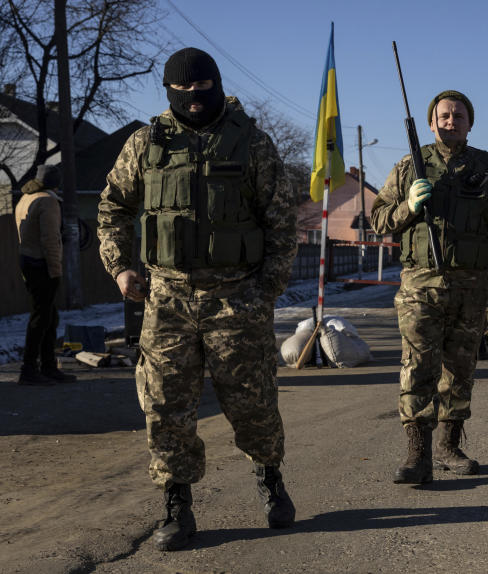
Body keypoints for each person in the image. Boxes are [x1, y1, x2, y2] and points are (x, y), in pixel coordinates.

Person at [97, 47, 298, 551]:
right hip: (166, 297)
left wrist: (264, 292)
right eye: (181, 91)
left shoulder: (251, 142)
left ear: (216, 84)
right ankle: (177, 504)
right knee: (165, 407)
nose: (192, 99)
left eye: (201, 89)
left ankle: (270, 477)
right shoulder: (145, 144)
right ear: (168, 90)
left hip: (237, 298)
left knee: (252, 404)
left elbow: (281, 221)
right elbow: (112, 208)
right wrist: (121, 266)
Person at [370, 90, 488, 485]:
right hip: (420, 285)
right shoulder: (409, 167)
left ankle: (448, 446)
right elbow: (379, 220)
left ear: (470, 123)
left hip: (472, 286)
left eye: (458, 115)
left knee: (460, 369)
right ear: (431, 122)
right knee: (418, 366)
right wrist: (408, 205)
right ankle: (417, 453)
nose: (451, 121)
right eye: (444, 115)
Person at [15, 165, 75, 385]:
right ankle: (30, 369)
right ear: (55, 183)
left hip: (28, 261)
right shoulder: (48, 201)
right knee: (41, 318)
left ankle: (48, 366)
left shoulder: (26, 198)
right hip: (42, 264)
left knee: (48, 316)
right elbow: (50, 239)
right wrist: (55, 271)